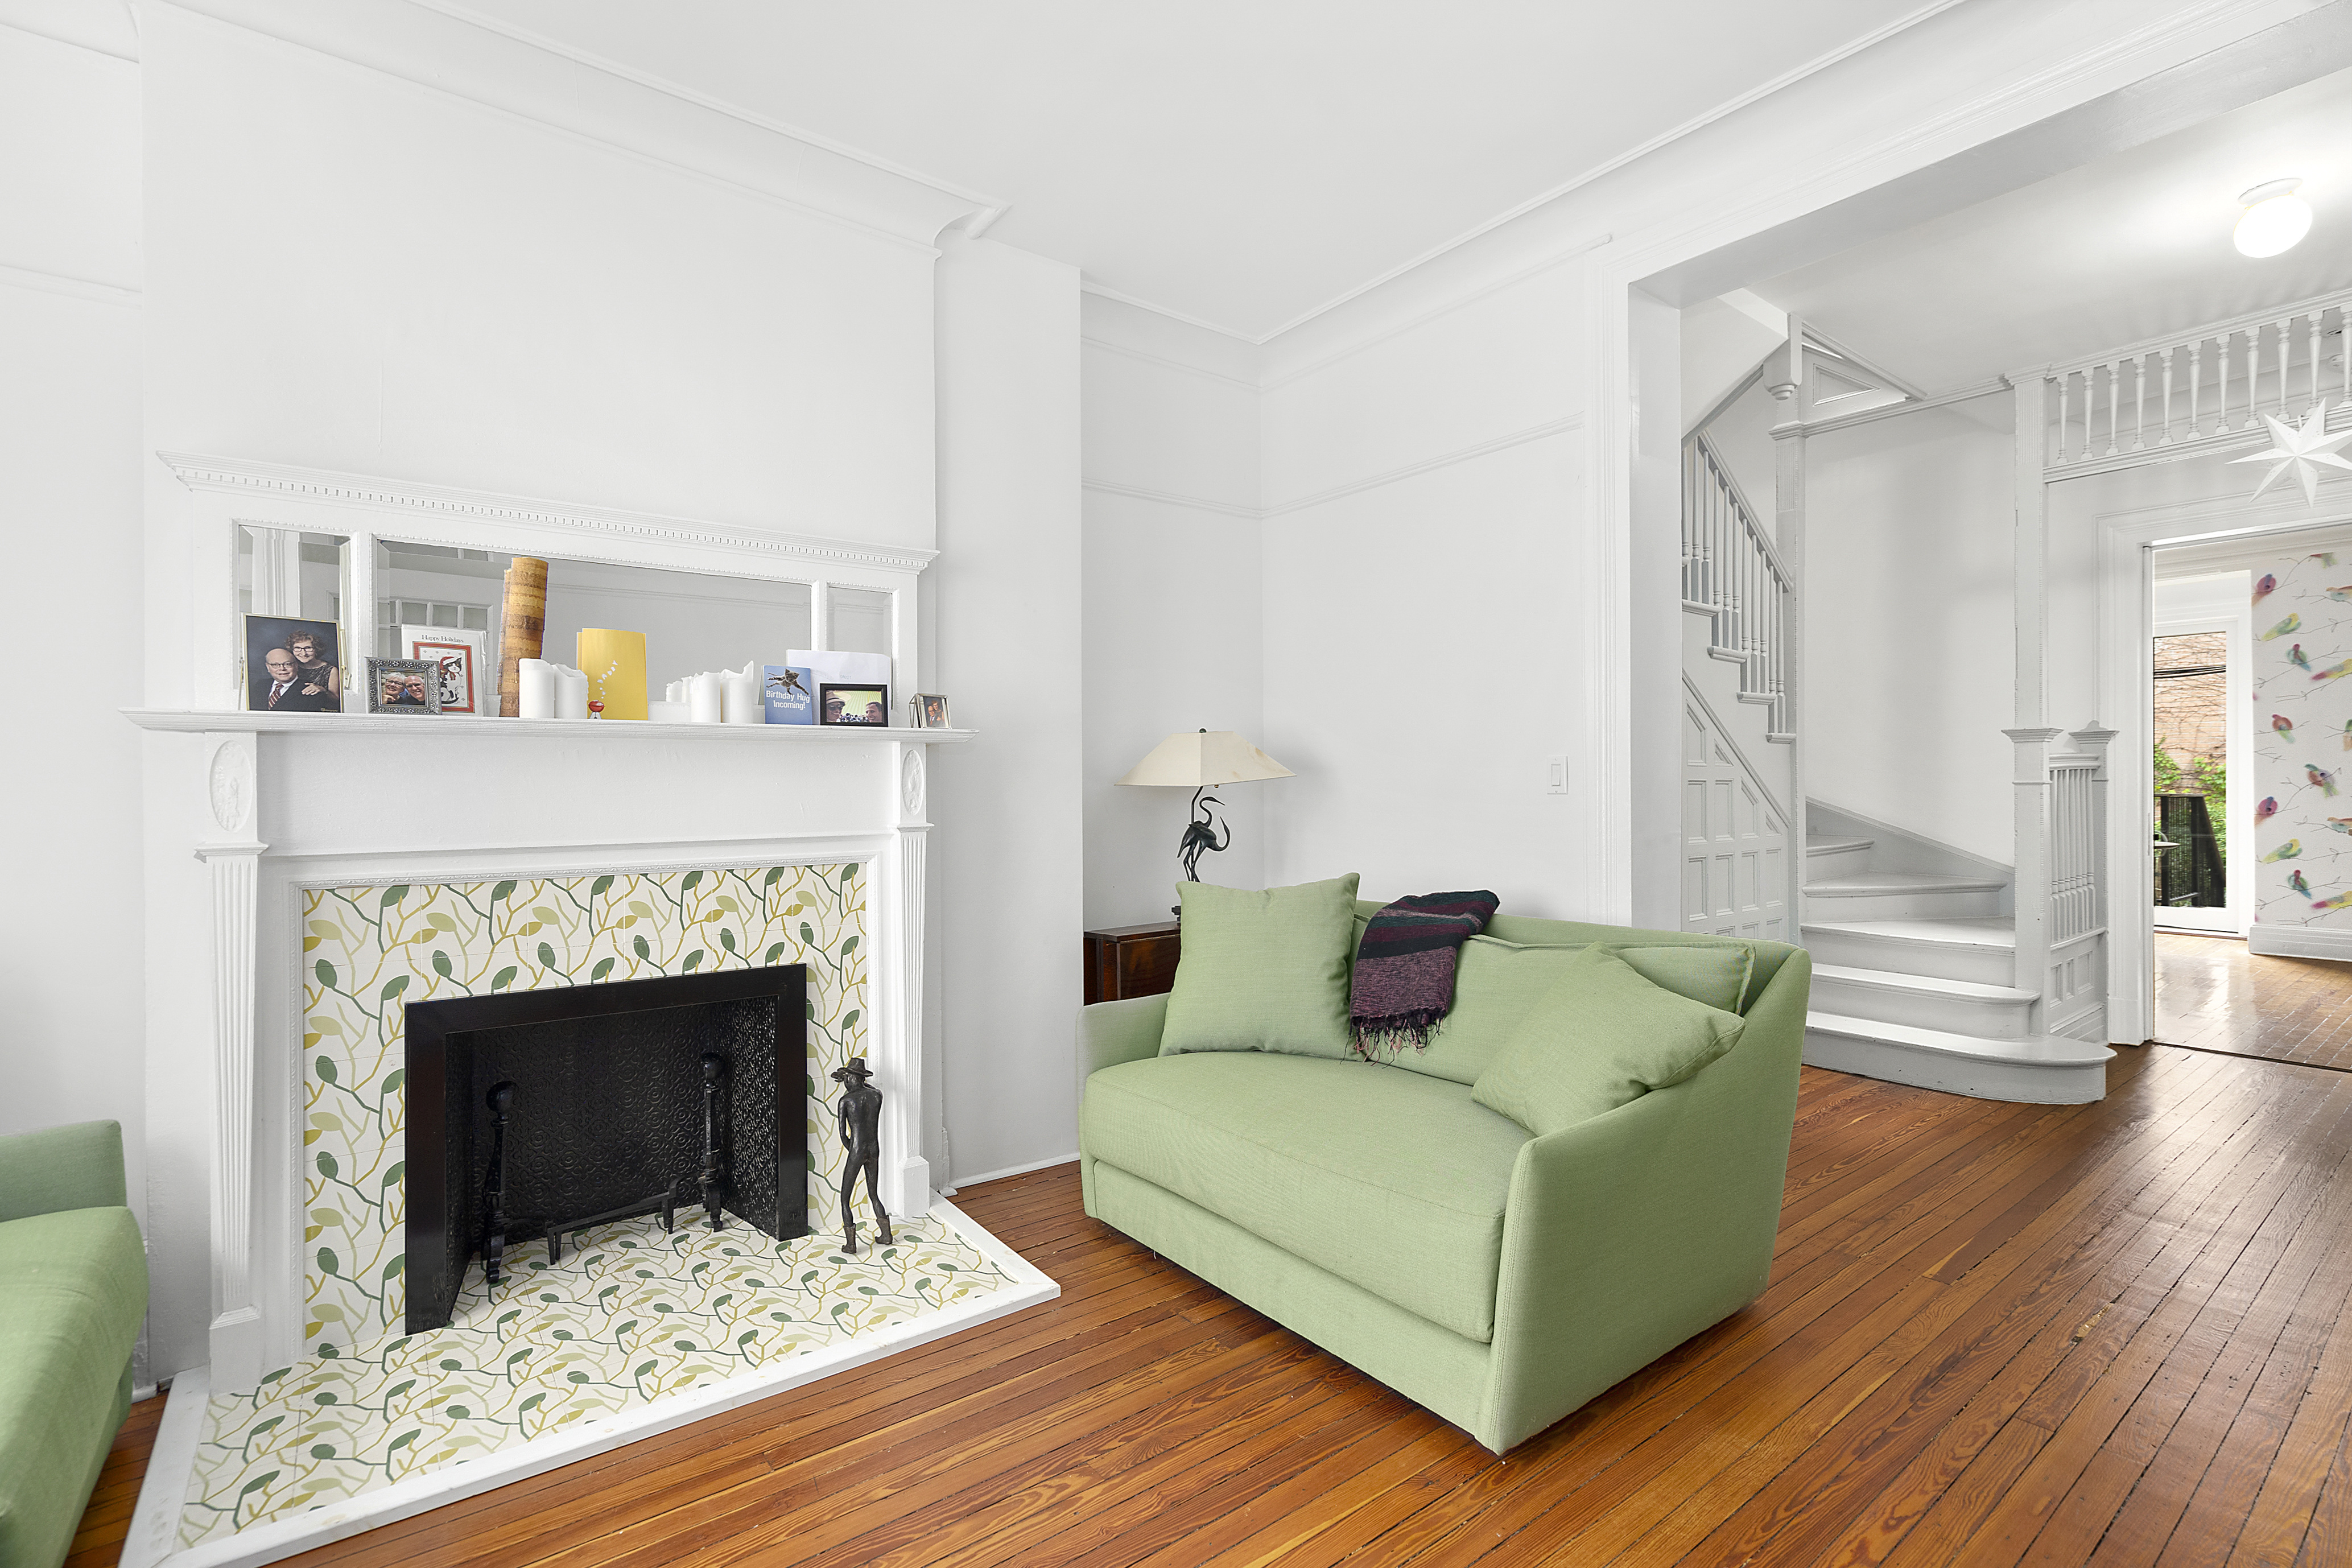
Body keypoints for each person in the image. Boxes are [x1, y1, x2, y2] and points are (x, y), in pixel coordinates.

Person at [252, 648, 335, 712]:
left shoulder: (312, 691)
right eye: (275, 665)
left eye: (287, 664)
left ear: (296, 666)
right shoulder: (260, 686)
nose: (282, 669)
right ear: (268, 667)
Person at [287, 632, 340, 705]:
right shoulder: (291, 666)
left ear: (317, 649)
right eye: (298, 648)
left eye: (308, 648)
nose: (303, 654)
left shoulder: (331, 670)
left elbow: (336, 700)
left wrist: (323, 690)